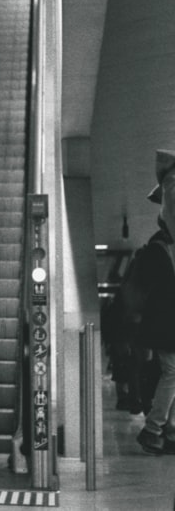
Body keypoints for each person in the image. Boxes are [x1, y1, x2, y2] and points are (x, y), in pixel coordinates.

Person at [133, 149, 175, 454]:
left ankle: (165, 428)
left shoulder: (159, 251)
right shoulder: (158, 251)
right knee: (172, 373)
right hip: (167, 326)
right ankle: (154, 427)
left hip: (166, 325)